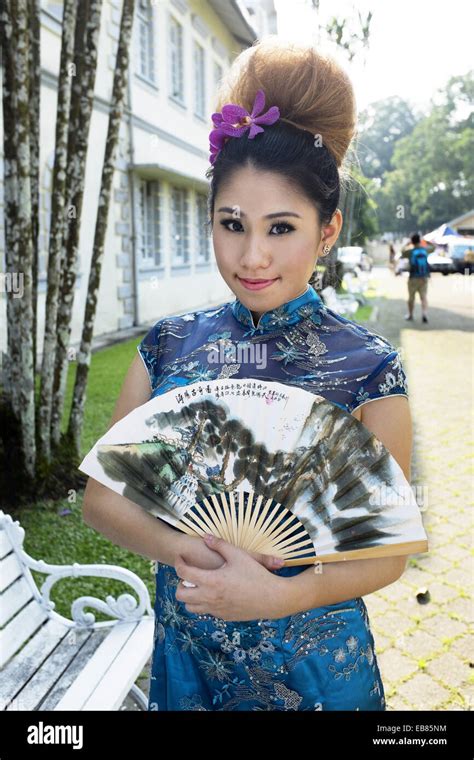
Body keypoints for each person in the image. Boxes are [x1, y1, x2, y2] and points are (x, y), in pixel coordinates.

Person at [83, 37, 413, 711]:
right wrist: (183, 550)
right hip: (192, 650)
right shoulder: (169, 346)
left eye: (282, 227)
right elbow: (103, 498)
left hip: (317, 670)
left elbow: (387, 550)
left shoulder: (370, 368)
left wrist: (285, 591)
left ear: (327, 231)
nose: (253, 255)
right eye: (232, 224)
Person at [403, 233, 431, 323]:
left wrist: (407, 243)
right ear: (420, 240)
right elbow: (434, 246)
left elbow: (402, 251)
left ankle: (410, 315)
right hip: (424, 277)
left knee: (411, 297)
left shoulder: (410, 251)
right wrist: (425, 240)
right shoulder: (425, 249)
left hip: (413, 278)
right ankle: (424, 314)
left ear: (412, 241)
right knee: (424, 297)